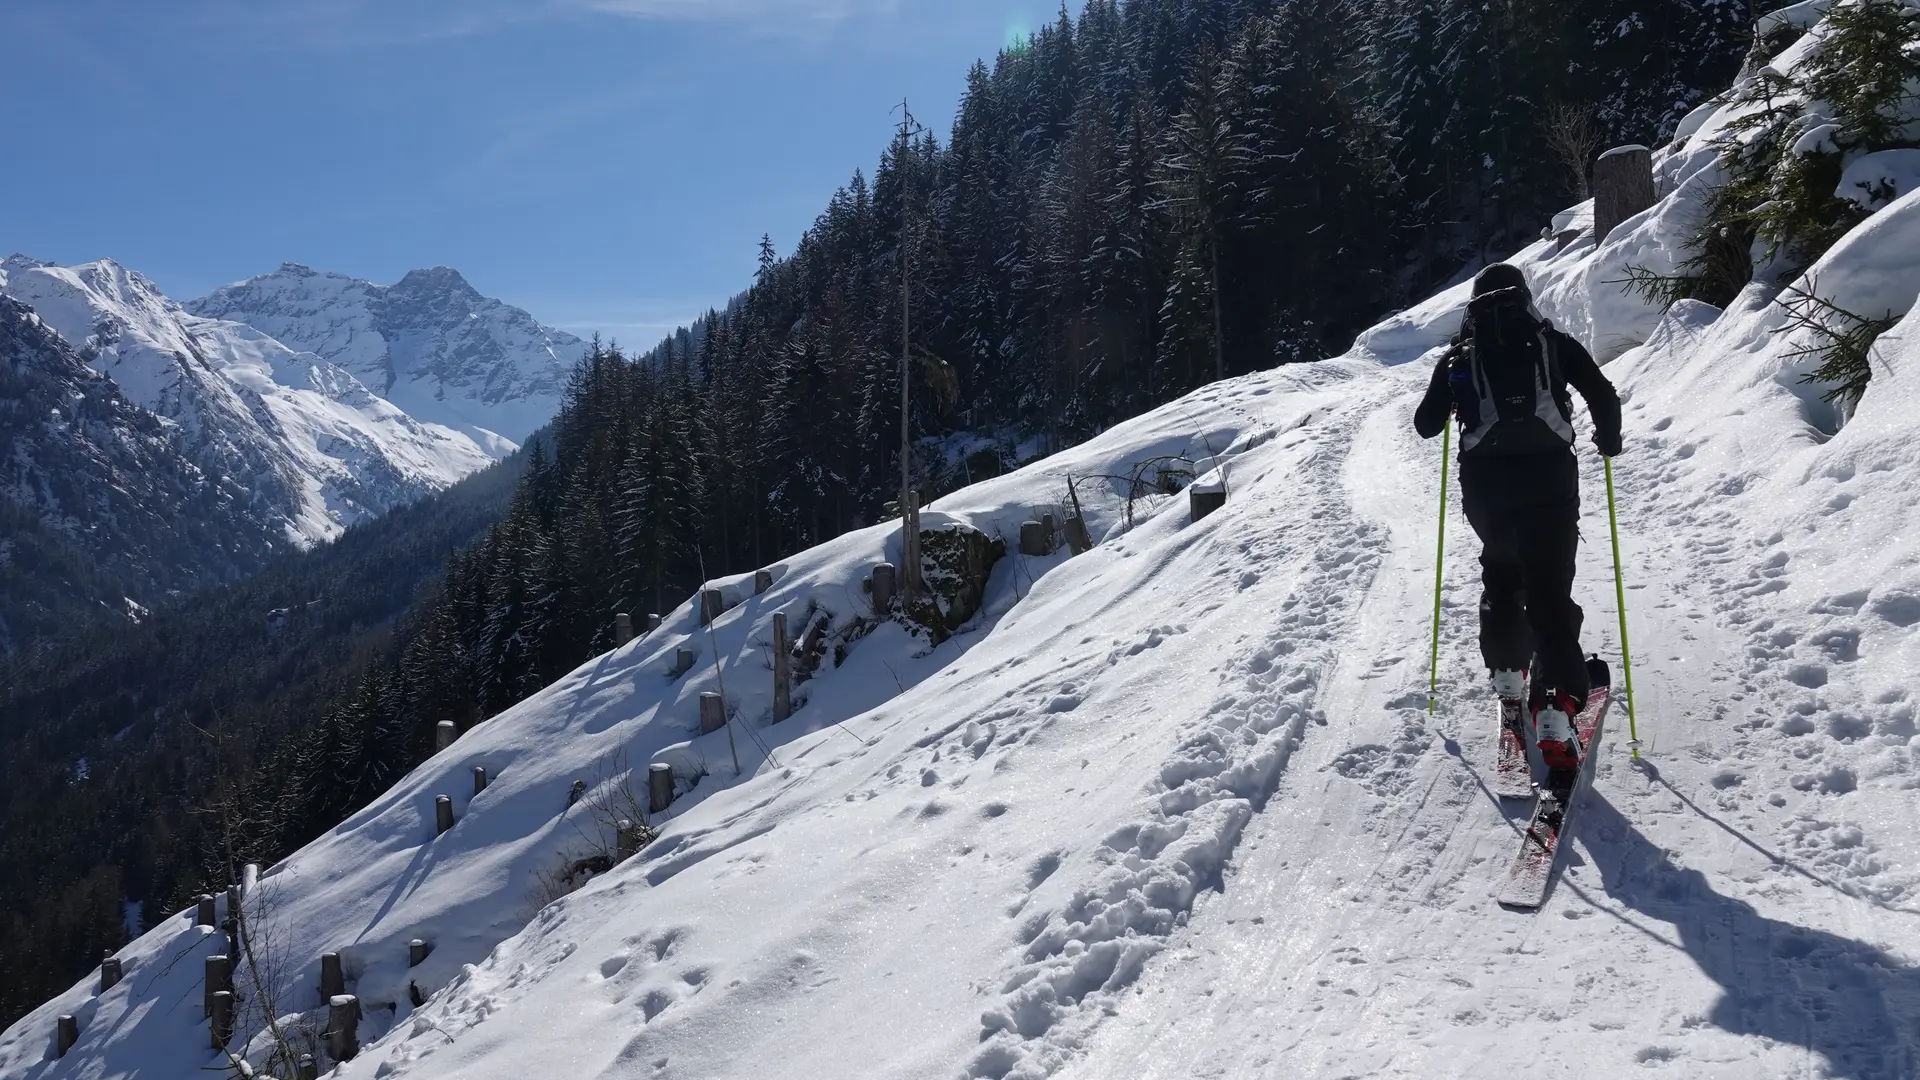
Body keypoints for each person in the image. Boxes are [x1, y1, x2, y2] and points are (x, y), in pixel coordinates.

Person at [1414, 263, 1622, 773]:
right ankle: (1555, 703)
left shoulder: (1461, 355)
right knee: (1549, 589)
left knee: (1503, 571)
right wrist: (1609, 440)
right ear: (1525, 298)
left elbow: (1425, 425)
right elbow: (1602, 393)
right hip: (1549, 479)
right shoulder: (1552, 343)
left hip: (1486, 487)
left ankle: (1508, 670)